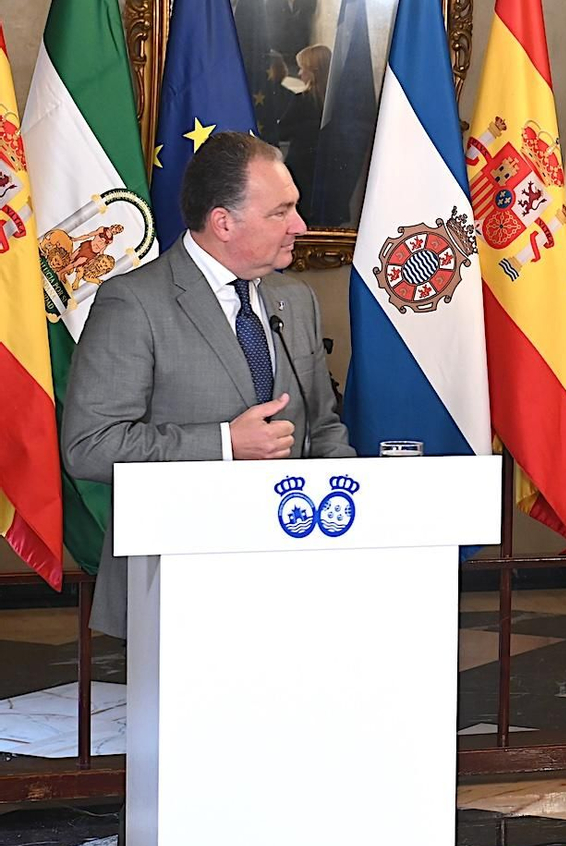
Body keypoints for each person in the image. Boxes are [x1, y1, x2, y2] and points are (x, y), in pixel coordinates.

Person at [63, 130, 354, 642]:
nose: (299, 227)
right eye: (280, 212)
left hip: (299, 577)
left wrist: (348, 513)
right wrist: (225, 444)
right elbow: (90, 447)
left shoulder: (296, 298)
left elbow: (323, 427)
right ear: (223, 222)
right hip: (180, 585)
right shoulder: (134, 304)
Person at [281, 44, 331, 201]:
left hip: (301, 168)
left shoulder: (302, 100)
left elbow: (283, 130)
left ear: (314, 71)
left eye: (302, 68)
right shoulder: (339, 102)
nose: (299, 73)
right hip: (327, 170)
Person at [263, 0, 317, 66]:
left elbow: (311, 6)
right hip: (281, 55)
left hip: (300, 53)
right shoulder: (272, 0)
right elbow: (276, 30)